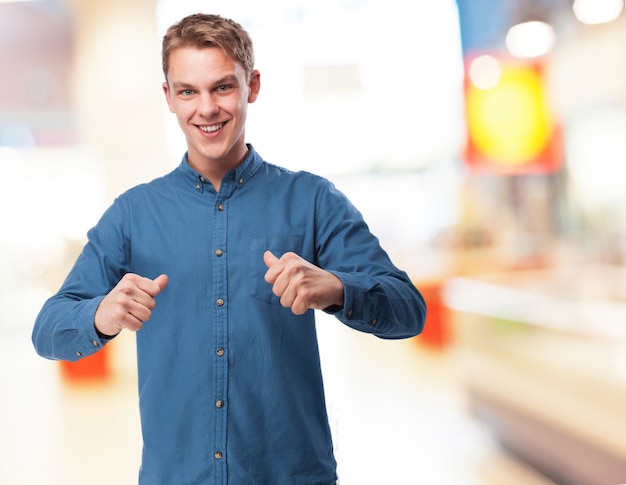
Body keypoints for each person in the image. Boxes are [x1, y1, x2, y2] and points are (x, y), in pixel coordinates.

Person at [32, 12, 426, 485]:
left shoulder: (312, 201)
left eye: (222, 87)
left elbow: (410, 310)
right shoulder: (133, 214)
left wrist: (339, 288)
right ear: (168, 98)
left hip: (291, 475)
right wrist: (101, 314)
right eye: (187, 91)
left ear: (252, 86)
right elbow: (48, 329)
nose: (206, 108)